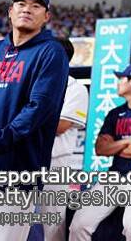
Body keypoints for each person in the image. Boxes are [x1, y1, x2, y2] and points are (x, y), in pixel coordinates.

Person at [0, 0, 69, 241]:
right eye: (21, 4)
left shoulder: (51, 53)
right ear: (10, 12)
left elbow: (38, 110)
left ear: (46, 16)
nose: (27, 9)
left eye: (36, 5)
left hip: (17, 172)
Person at [69, 64, 131, 241]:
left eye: (121, 78)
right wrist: (126, 142)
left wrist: (117, 145)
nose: (118, 83)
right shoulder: (115, 113)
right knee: (78, 225)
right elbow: (101, 149)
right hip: (114, 177)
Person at [41, 37, 89, 241]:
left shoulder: (75, 87)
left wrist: (27, 121)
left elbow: (61, 126)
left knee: (52, 221)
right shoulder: (33, 82)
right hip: (27, 157)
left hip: (57, 161)